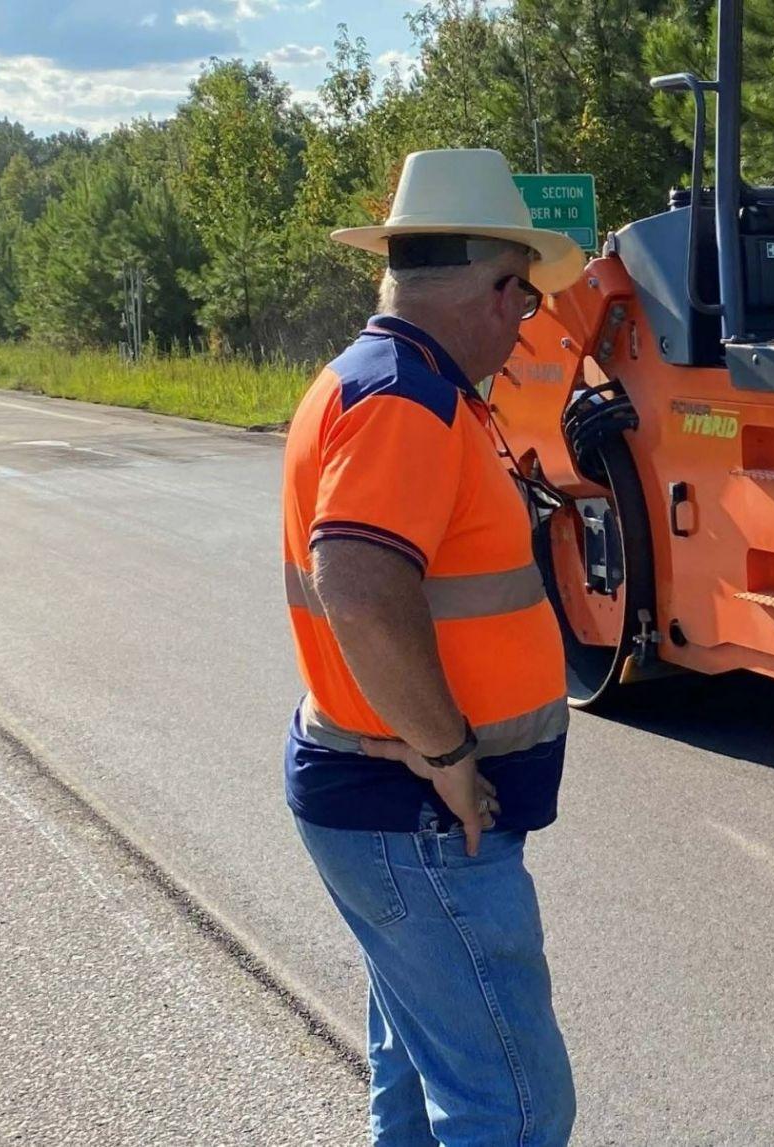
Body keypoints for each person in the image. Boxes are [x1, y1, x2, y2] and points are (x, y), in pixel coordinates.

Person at [281, 148, 587, 1146]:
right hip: (417, 817)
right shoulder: (406, 400)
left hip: (385, 808)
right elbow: (361, 584)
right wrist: (451, 758)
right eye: (525, 300)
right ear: (498, 289)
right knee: (512, 1105)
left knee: (416, 1085)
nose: (524, 322)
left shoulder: (375, 382)